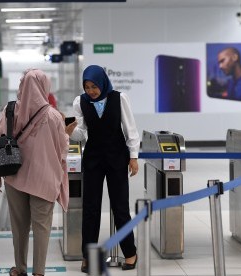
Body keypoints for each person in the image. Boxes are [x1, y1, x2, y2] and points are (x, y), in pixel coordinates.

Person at [0, 69, 74, 276]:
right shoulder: (54, 116)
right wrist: (67, 133)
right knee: (42, 228)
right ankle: (39, 272)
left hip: (14, 176)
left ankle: (20, 268)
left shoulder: (9, 110)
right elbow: (62, 150)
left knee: (19, 228)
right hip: (44, 180)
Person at [69, 65, 139, 273]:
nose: (91, 91)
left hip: (117, 157)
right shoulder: (80, 102)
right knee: (90, 209)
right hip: (93, 159)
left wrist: (133, 157)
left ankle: (130, 253)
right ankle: (88, 255)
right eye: (87, 87)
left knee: (120, 208)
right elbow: (82, 133)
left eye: (94, 86)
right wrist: (70, 132)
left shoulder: (119, 98)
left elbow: (131, 130)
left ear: (102, 83)